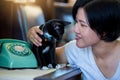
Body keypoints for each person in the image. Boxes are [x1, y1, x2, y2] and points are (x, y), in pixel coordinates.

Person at [27, 0, 120, 80]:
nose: (75, 29)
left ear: (105, 30)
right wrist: (36, 35)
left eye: (83, 25)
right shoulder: (76, 50)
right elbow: (44, 55)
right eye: (76, 22)